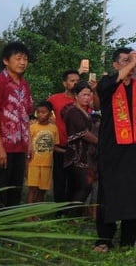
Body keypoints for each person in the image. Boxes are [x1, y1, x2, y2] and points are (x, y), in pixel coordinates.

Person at [94, 47, 136, 252]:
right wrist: (130, 64)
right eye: (125, 60)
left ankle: (130, 238)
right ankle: (104, 239)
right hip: (112, 148)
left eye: (132, 60)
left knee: (134, 192)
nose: (130, 63)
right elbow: (107, 85)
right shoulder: (107, 84)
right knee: (109, 192)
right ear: (115, 64)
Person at [0, 42, 35, 209]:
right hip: (2, 147)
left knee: (15, 192)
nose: (22, 62)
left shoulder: (25, 85)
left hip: (20, 147)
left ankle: (8, 232)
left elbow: (26, 115)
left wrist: (29, 143)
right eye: (18, 58)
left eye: (25, 59)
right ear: (6, 60)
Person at [61, 84, 97, 216]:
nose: (87, 98)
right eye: (84, 95)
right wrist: (101, 143)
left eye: (89, 95)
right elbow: (83, 133)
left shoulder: (84, 112)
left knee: (79, 186)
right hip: (76, 155)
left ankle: (72, 215)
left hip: (85, 155)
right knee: (84, 186)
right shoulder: (73, 111)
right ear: (76, 96)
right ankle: (71, 215)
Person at [47, 70, 80, 204]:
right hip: (60, 146)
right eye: (72, 81)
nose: (75, 83)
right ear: (64, 83)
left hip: (78, 146)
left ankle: (72, 210)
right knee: (60, 180)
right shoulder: (54, 99)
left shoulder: (83, 98)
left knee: (76, 180)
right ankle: (59, 211)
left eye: (77, 81)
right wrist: (50, 120)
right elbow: (41, 112)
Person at [26, 101, 58, 204]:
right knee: (32, 189)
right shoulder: (32, 127)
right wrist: (26, 164)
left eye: (43, 112)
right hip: (33, 164)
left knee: (42, 190)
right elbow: (28, 146)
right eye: (38, 112)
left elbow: (55, 146)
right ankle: (28, 215)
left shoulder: (54, 128)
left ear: (50, 113)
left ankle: (37, 213)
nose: (40, 114)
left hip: (47, 164)